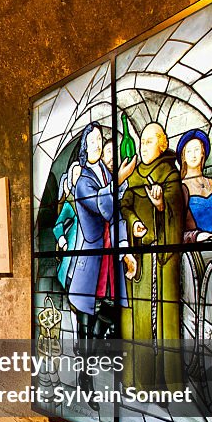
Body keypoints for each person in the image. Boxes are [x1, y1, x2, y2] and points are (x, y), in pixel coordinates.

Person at [120, 122, 184, 391]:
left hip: (164, 257)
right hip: (141, 255)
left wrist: (160, 206)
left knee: (165, 317)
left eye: (149, 141)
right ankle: (141, 380)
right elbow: (125, 204)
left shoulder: (170, 173)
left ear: (163, 144)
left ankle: (169, 382)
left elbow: (175, 211)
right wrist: (134, 221)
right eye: (142, 141)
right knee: (141, 317)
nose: (144, 146)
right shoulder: (135, 176)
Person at [67, 123, 136, 343]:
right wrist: (120, 180)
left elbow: (116, 215)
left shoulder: (106, 176)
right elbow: (101, 204)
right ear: (85, 147)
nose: (97, 145)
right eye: (92, 141)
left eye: (99, 140)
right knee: (86, 314)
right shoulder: (83, 182)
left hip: (110, 253)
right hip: (92, 255)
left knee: (109, 307)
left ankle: (92, 350)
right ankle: (85, 370)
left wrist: (124, 249)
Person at [177, 129, 212, 243]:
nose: (193, 155)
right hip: (194, 250)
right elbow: (175, 231)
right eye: (189, 151)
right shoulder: (180, 188)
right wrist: (196, 236)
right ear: (183, 156)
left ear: (203, 153)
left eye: (196, 149)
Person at [52, 162, 82, 291]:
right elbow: (58, 225)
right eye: (76, 174)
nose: (79, 177)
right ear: (71, 178)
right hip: (74, 246)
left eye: (82, 174)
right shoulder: (70, 201)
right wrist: (62, 239)